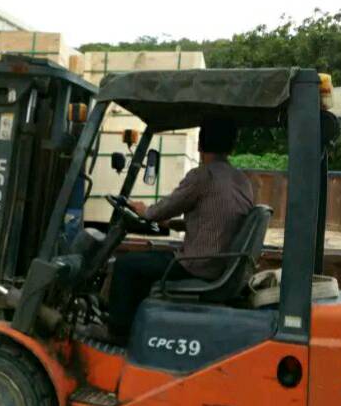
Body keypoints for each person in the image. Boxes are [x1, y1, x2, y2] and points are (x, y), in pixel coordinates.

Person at [107, 117, 254, 337]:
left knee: (125, 265)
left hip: (198, 265)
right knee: (145, 264)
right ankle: (139, 326)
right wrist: (173, 223)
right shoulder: (242, 180)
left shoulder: (203, 175)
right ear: (232, 146)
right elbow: (217, 219)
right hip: (221, 263)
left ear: (200, 144)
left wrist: (142, 210)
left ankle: (118, 334)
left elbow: (158, 211)